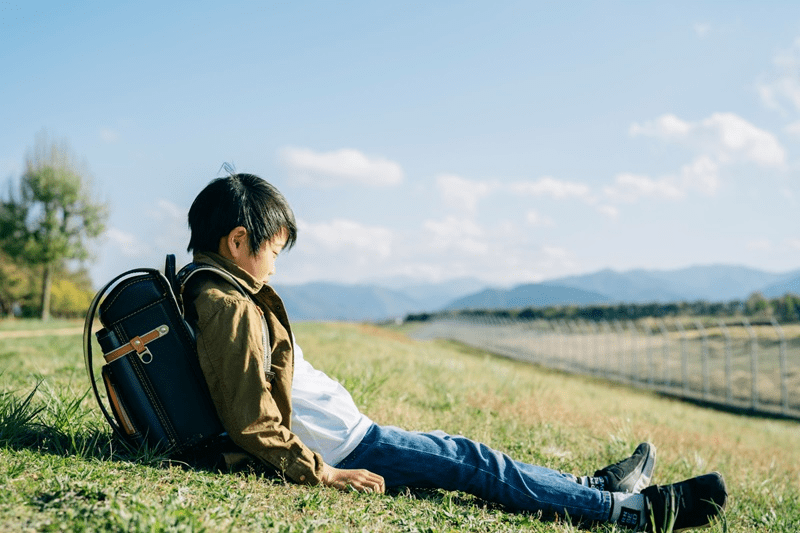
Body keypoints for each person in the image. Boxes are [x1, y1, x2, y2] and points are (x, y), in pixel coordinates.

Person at [182, 172, 727, 532]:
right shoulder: (227, 306)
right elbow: (251, 419)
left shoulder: (220, 292)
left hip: (350, 438)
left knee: (470, 457)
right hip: (347, 449)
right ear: (237, 242)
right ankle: (628, 512)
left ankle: (590, 488)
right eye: (273, 251)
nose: (276, 264)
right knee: (473, 462)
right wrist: (321, 473)